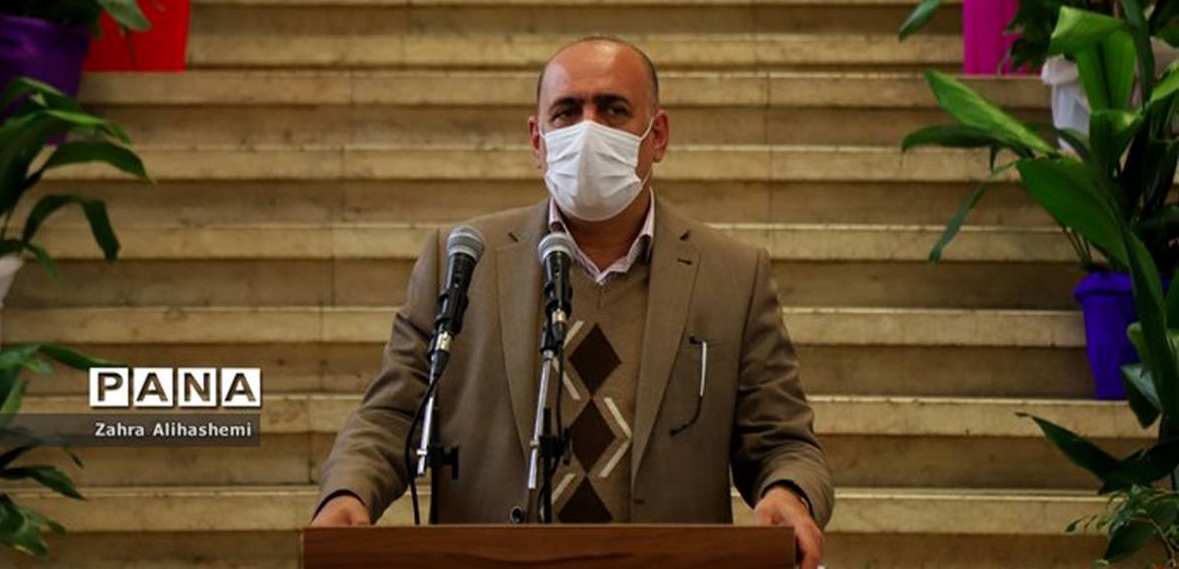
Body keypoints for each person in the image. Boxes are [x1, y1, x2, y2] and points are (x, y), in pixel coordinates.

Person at [312, 37, 833, 568]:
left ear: (657, 136)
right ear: (537, 141)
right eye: (566, 112)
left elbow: (782, 443)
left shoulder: (733, 276)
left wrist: (790, 493)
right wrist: (348, 492)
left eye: (613, 109)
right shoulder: (463, 260)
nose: (588, 129)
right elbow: (393, 413)